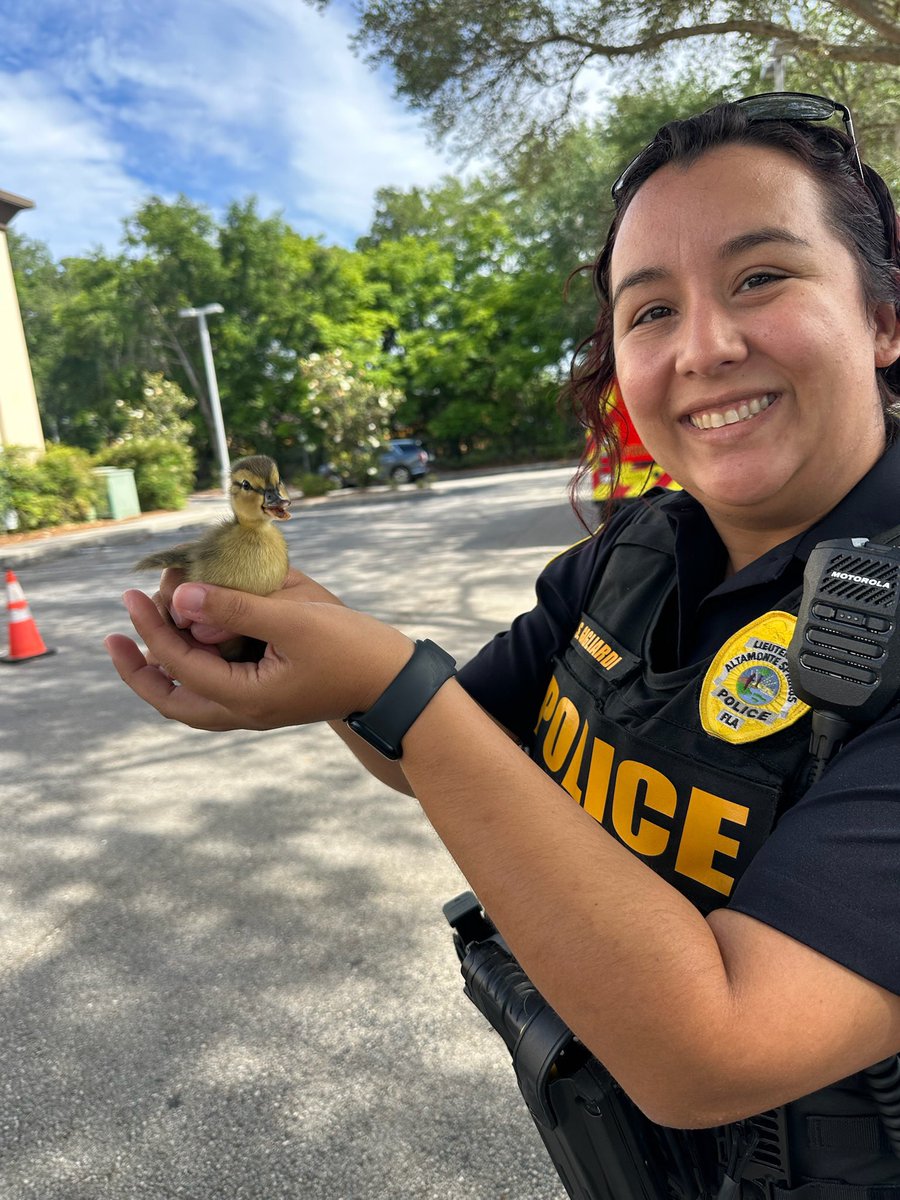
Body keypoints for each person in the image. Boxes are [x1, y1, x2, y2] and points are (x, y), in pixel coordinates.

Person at [106, 92, 900, 1198]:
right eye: (650, 310)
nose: (704, 347)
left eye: (761, 277)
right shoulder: (633, 552)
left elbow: (714, 1049)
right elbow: (437, 746)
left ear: (882, 319)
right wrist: (310, 639)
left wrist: (390, 685)